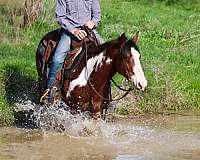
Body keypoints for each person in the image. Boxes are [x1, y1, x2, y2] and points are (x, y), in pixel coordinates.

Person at [44, 0, 101, 98]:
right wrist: (73, 30)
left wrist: (93, 22)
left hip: (89, 31)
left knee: (105, 55)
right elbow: (60, 17)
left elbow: (97, 15)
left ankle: (106, 91)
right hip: (69, 32)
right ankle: (49, 91)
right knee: (57, 59)